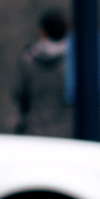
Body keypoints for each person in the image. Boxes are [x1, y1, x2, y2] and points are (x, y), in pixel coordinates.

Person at [13, 9, 71, 137]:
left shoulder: (27, 59)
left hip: (35, 131)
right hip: (69, 132)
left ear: (42, 32)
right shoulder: (75, 62)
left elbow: (19, 94)